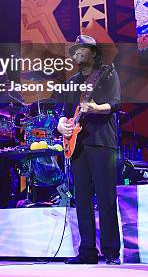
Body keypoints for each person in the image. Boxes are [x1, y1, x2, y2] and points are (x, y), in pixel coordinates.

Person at [57, 35, 121, 265]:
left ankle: (111, 252)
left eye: (81, 48)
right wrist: (61, 124)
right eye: (74, 49)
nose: (77, 52)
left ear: (93, 53)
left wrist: (96, 107)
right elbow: (64, 111)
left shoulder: (107, 74)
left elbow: (114, 104)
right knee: (82, 199)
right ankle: (87, 252)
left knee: (105, 197)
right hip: (78, 145)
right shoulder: (72, 81)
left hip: (102, 142)